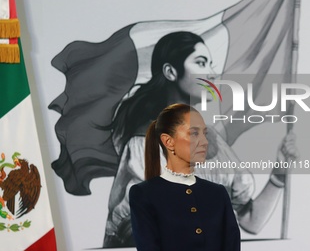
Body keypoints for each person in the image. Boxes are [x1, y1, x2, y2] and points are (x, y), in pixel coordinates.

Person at [103, 31, 298, 247]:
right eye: (201, 62)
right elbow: (134, 233)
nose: (212, 73)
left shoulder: (213, 142)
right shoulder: (144, 142)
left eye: (210, 64)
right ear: (170, 71)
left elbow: (251, 221)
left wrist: (280, 172)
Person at [130, 103, 240, 251]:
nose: (205, 142)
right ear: (168, 141)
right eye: (194, 133)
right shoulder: (144, 194)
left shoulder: (218, 193)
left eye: (204, 134)